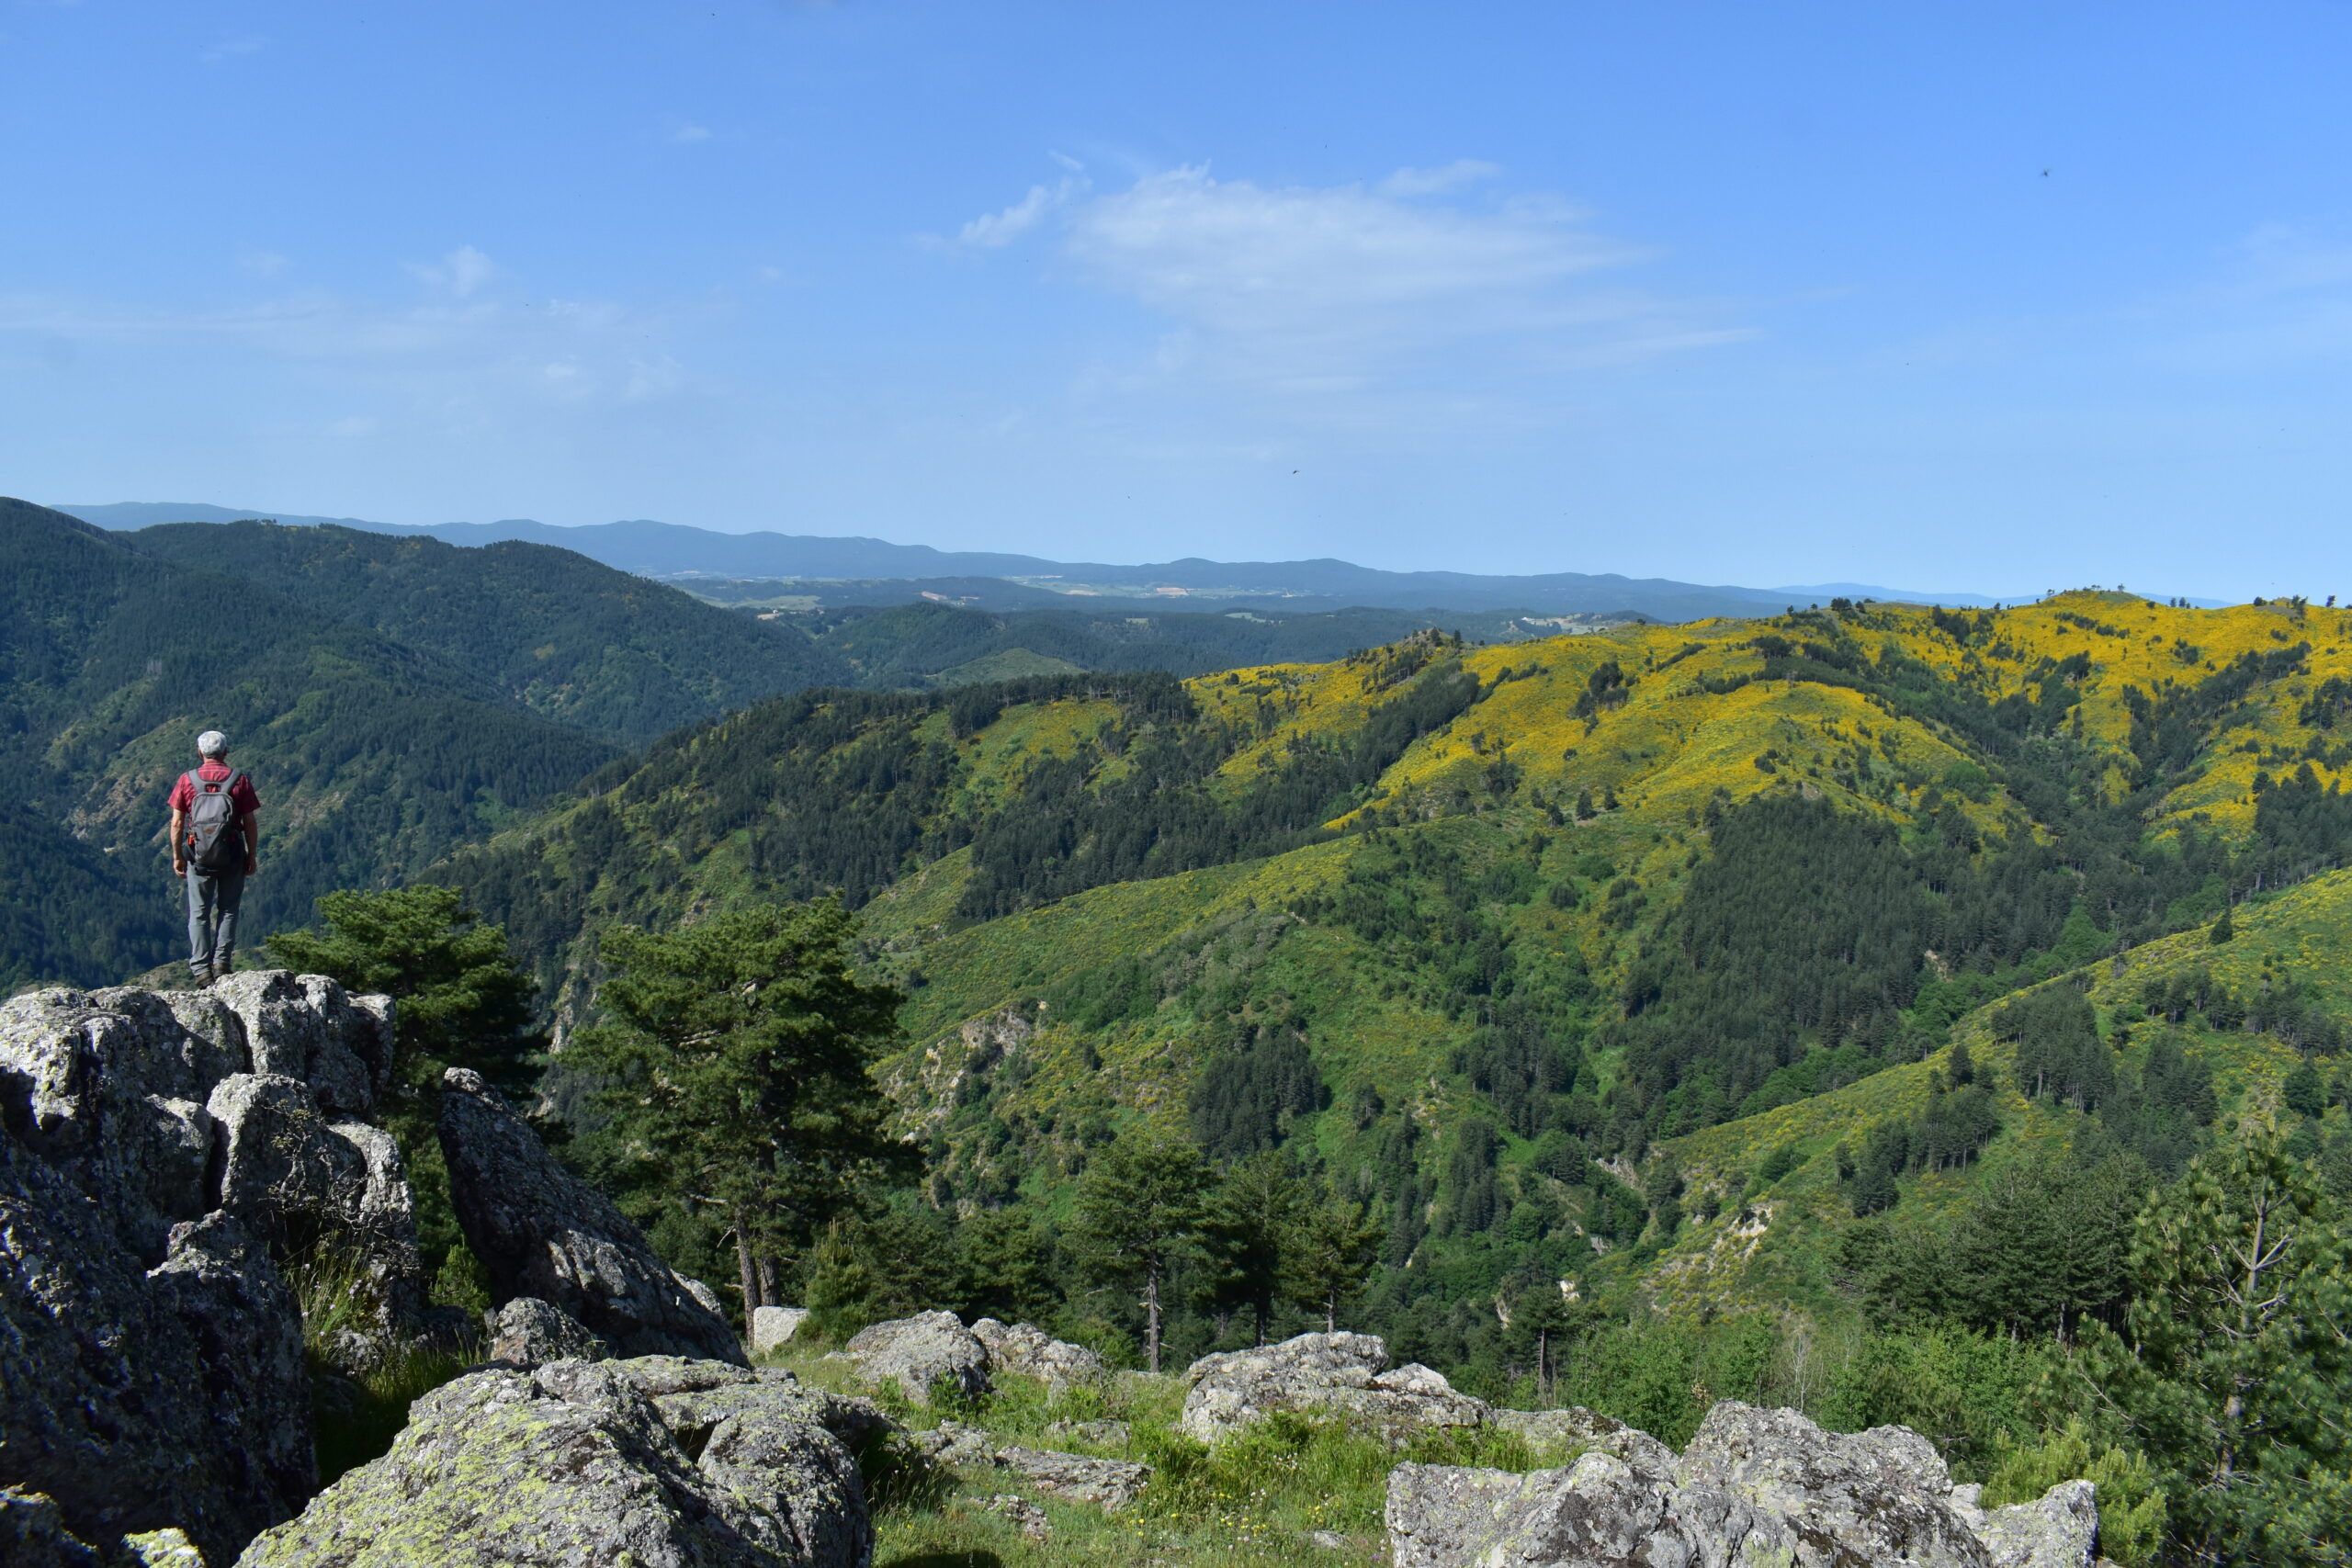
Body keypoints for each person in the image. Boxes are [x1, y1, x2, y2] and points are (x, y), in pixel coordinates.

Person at [167, 729, 261, 984]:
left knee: (199, 912)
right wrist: (251, 855)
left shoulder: (187, 780)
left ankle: (201, 970)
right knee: (229, 910)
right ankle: (221, 963)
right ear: (226, 752)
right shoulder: (239, 780)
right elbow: (249, 822)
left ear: (200, 752)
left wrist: (178, 856)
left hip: (198, 857)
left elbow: (177, 823)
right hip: (232, 854)